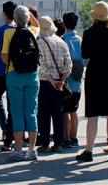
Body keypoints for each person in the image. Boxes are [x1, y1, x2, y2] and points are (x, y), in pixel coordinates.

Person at [76, 1, 108, 163]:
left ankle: (89, 150)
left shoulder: (88, 33)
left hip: (94, 75)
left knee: (93, 115)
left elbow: (84, 54)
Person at [2, 5, 40, 161]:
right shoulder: (33, 31)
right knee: (31, 111)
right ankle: (32, 149)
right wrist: (28, 13)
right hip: (32, 75)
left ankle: (18, 150)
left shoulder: (9, 32)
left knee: (17, 111)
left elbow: (4, 56)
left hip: (14, 74)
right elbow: (36, 24)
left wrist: (12, 64)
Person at [36, 16, 72, 153]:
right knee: (58, 113)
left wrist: (51, 80)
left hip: (45, 83)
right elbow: (68, 64)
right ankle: (59, 143)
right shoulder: (60, 41)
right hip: (60, 83)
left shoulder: (39, 42)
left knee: (43, 114)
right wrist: (61, 81)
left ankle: (45, 143)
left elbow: (41, 65)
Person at [0, 1, 17, 151]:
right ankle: (9, 140)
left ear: (4, 14)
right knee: (12, 107)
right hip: (15, 73)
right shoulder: (21, 30)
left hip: (0, 72)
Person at [61, 12, 83, 148]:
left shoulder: (63, 39)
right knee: (74, 110)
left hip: (67, 80)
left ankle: (66, 138)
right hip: (78, 80)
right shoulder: (80, 39)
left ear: (64, 24)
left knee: (65, 111)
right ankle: (74, 137)